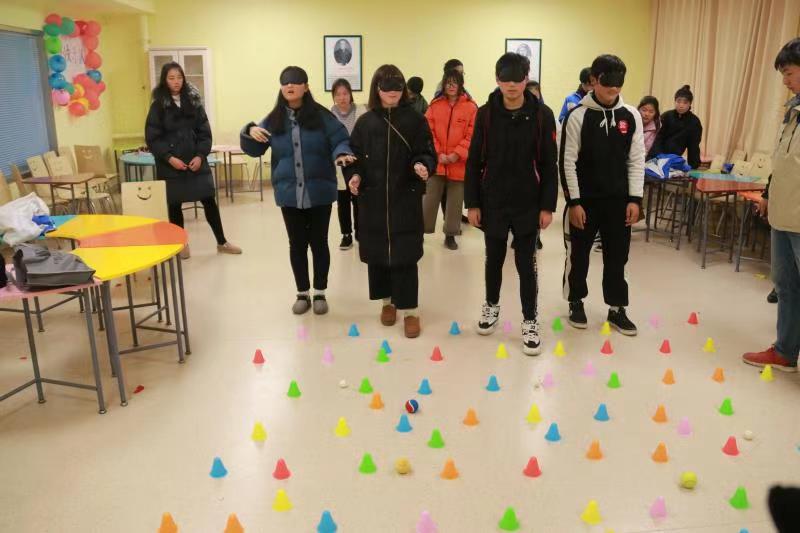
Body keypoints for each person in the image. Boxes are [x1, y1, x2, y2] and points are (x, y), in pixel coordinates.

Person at [240, 66, 354, 315]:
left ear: (306, 87)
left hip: (319, 191)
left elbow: (340, 139)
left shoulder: (322, 116)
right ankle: (302, 293)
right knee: (297, 244)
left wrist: (342, 153)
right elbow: (254, 148)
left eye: (295, 82)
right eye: (285, 83)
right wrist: (249, 130)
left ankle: (320, 292)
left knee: (319, 243)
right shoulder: (273, 119)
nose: (290, 86)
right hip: (289, 193)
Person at [465, 52, 558, 355]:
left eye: (518, 79)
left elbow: (549, 164)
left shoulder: (542, 115)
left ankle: (530, 320)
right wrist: (473, 203)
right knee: (493, 258)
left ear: (526, 79)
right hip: (493, 200)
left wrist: (547, 206)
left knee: (525, 264)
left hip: (527, 202)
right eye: (506, 80)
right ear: (497, 80)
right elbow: (474, 161)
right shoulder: (485, 114)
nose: (512, 85)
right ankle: (491, 305)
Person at [344, 64, 436, 338]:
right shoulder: (365, 122)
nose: (392, 92)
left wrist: (423, 165)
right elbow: (353, 156)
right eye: (386, 87)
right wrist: (354, 175)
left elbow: (427, 151)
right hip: (373, 200)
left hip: (404, 198)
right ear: (377, 89)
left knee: (405, 256)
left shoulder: (416, 120)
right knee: (379, 256)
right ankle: (387, 303)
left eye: (397, 87)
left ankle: (411, 311)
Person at [560, 54, 645, 335]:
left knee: (617, 258)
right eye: (608, 82)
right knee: (579, 256)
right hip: (585, 203)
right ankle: (575, 301)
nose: (614, 88)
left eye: (619, 82)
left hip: (619, 203)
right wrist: (574, 202)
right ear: (594, 80)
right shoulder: (577, 115)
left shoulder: (631, 116)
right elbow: (567, 162)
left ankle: (617, 308)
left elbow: (636, 160)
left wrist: (635, 199)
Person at [742, 37, 800, 373]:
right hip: (782, 214)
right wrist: (767, 194)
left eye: (789, 73)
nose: (786, 81)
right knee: (786, 286)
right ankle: (785, 351)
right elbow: (783, 161)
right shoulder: (792, 112)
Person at [145, 62, 241, 260]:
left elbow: (205, 133)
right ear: (164, 80)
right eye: (171, 78)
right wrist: (169, 158)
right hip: (171, 165)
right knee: (174, 204)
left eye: (179, 77)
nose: (176, 82)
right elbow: (153, 138)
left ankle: (222, 242)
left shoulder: (194, 102)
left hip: (196, 162)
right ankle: (181, 244)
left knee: (209, 200)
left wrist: (200, 155)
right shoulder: (158, 106)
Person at [423, 68, 478, 250]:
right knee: (429, 199)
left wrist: (457, 154)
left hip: (459, 163)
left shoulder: (471, 107)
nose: (451, 86)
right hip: (437, 162)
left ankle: (450, 235)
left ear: (461, 85)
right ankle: (420, 232)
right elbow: (428, 132)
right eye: (448, 82)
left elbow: (472, 135)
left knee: (455, 202)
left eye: (455, 82)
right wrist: (438, 154)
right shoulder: (434, 106)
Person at [330, 78, 367, 250]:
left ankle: (361, 232)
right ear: (333, 96)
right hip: (340, 162)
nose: (342, 97)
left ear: (351, 94)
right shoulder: (330, 115)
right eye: (338, 94)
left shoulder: (361, 111)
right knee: (343, 200)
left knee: (359, 199)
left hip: (359, 161)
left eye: (345, 93)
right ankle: (346, 235)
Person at [649, 85, 703, 168]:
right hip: (658, 156)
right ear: (675, 101)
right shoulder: (666, 116)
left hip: (674, 159)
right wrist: (657, 157)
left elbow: (693, 146)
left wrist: (693, 165)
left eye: (685, 102)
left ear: (690, 104)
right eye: (678, 101)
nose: (681, 105)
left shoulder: (694, 122)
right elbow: (657, 138)